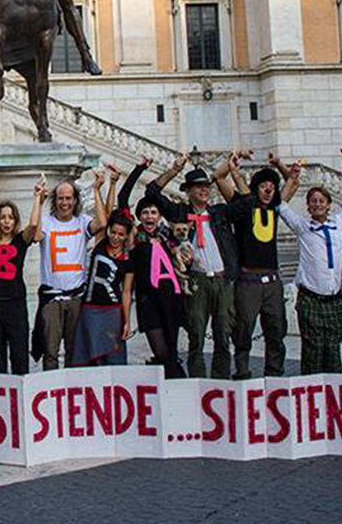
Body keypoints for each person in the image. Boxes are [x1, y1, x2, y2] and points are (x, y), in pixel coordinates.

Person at [145, 156, 240, 378]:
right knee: (196, 335)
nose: (204, 191)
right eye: (199, 187)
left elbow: (245, 204)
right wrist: (173, 169)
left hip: (221, 278)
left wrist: (229, 172)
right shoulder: (179, 212)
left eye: (206, 187)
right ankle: (197, 382)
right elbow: (152, 192)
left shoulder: (219, 213)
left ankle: (221, 381)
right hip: (196, 280)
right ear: (188, 191)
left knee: (223, 335)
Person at [276, 150, 342, 375]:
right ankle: (311, 392)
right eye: (312, 201)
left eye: (321, 201)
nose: (317, 204)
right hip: (311, 298)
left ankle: (333, 395)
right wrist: (292, 178)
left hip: (334, 298)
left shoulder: (339, 222)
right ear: (308, 206)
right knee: (312, 352)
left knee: (333, 350)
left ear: (329, 204)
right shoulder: (302, 226)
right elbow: (280, 205)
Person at [215, 152, 295, 380]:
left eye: (272, 186)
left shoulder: (275, 208)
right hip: (248, 281)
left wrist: (278, 163)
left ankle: (274, 374)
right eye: (263, 186)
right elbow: (219, 178)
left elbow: (293, 181)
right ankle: (242, 372)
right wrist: (231, 163)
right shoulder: (242, 206)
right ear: (255, 188)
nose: (269, 190)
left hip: (272, 281)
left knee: (276, 330)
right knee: (243, 330)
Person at [35, 171, 110, 370]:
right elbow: (34, 234)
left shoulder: (82, 221)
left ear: (75, 200)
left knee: (74, 349)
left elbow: (102, 223)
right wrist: (38, 200)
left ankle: (70, 389)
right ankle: (51, 388)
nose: (64, 203)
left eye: (68, 198)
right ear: (55, 200)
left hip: (76, 297)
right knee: (50, 351)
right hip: (52, 298)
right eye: (60, 198)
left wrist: (96, 189)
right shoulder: (47, 222)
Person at [0, 182, 44, 375]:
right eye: (3, 218)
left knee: (19, 356)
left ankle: (21, 396)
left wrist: (37, 198)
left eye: (10, 218)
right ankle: (1, 398)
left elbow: (34, 225)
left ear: (15, 221)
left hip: (15, 304)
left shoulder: (20, 241)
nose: (6, 222)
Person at [122, 198, 188, 378]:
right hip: (148, 301)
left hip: (171, 298)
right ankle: (176, 381)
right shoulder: (135, 238)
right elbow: (123, 201)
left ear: (159, 216)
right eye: (145, 213)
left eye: (153, 212)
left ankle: (175, 389)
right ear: (140, 217)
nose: (149, 216)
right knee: (161, 351)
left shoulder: (168, 237)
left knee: (172, 351)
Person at [73, 207, 132, 367]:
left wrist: (127, 321)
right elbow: (103, 216)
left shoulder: (128, 258)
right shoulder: (100, 244)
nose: (116, 237)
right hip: (90, 309)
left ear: (126, 236)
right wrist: (99, 188)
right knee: (91, 356)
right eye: (113, 232)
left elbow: (126, 292)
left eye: (121, 234)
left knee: (113, 356)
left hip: (113, 311)